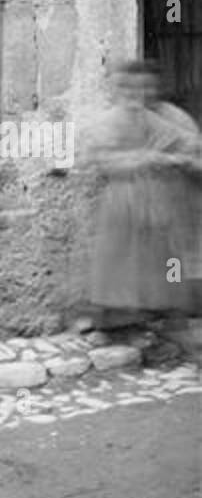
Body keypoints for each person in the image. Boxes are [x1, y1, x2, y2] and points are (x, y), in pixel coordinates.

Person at [86, 60, 201, 336]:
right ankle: (121, 322)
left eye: (147, 86)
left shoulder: (172, 118)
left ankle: (173, 319)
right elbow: (100, 157)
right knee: (121, 266)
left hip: (169, 210)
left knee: (170, 267)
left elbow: (193, 153)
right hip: (126, 209)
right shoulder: (116, 118)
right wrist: (142, 159)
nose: (141, 93)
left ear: (157, 87)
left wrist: (175, 160)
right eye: (131, 86)